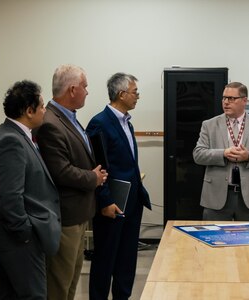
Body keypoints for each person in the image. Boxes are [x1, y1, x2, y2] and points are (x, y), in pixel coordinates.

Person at [0, 80, 61, 300]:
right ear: (28, 111)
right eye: (42, 106)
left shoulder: (15, 135)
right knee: (33, 295)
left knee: (10, 295)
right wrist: (25, 233)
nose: (45, 111)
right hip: (16, 239)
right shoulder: (10, 140)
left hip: (13, 236)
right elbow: (10, 196)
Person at [34, 64, 108, 300]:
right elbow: (60, 171)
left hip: (79, 214)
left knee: (72, 279)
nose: (87, 91)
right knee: (59, 283)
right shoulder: (50, 123)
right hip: (65, 217)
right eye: (85, 86)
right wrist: (93, 178)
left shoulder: (69, 118)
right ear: (73, 89)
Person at [86, 72, 151, 300]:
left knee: (126, 260)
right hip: (112, 205)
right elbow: (98, 166)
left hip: (131, 203)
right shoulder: (99, 123)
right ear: (122, 94)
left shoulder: (127, 123)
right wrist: (105, 201)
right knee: (105, 260)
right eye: (135, 92)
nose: (138, 97)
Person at [193, 81, 249, 221]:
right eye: (224, 98)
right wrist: (223, 153)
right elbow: (198, 154)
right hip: (216, 196)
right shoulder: (209, 125)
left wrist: (248, 156)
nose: (226, 102)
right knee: (214, 239)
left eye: (231, 98)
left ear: (244, 100)